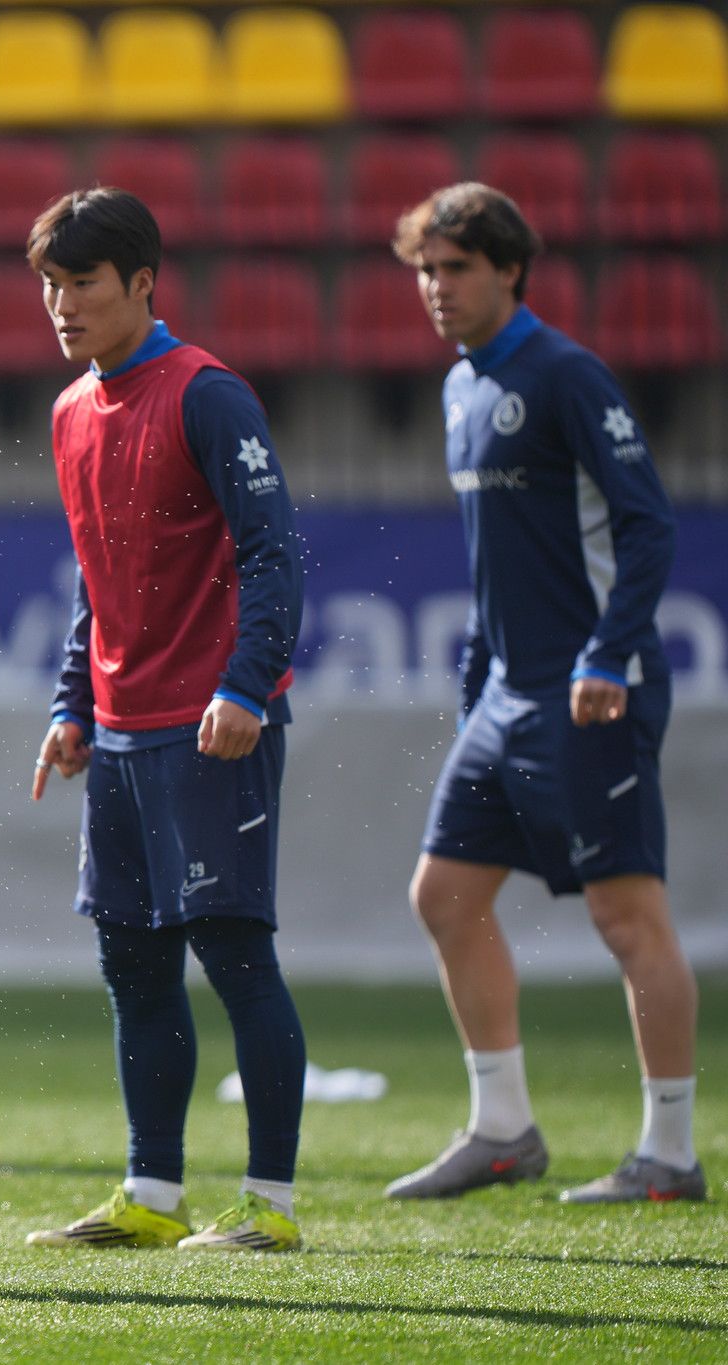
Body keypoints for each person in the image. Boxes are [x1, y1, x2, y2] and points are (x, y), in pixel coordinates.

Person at [384, 185, 702, 1204]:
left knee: (624, 917)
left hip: (590, 690)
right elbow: (495, 562)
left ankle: (668, 1153)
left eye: (455, 268)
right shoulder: (457, 387)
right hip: (506, 697)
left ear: (509, 268)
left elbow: (646, 524)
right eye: (424, 270)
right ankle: (502, 1129)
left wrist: (608, 655)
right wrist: (478, 675)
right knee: (442, 896)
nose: (435, 289)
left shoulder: (565, 375)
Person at [22, 188, 310, 1254]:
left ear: (142, 281)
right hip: (121, 734)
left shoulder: (207, 394)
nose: (60, 305)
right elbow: (99, 578)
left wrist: (243, 686)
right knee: (132, 965)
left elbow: (271, 553)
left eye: (81, 284)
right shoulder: (66, 411)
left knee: (234, 955)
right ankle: (151, 1194)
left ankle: (269, 1207)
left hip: (211, 727)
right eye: (48, 286)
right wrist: (70, 703)